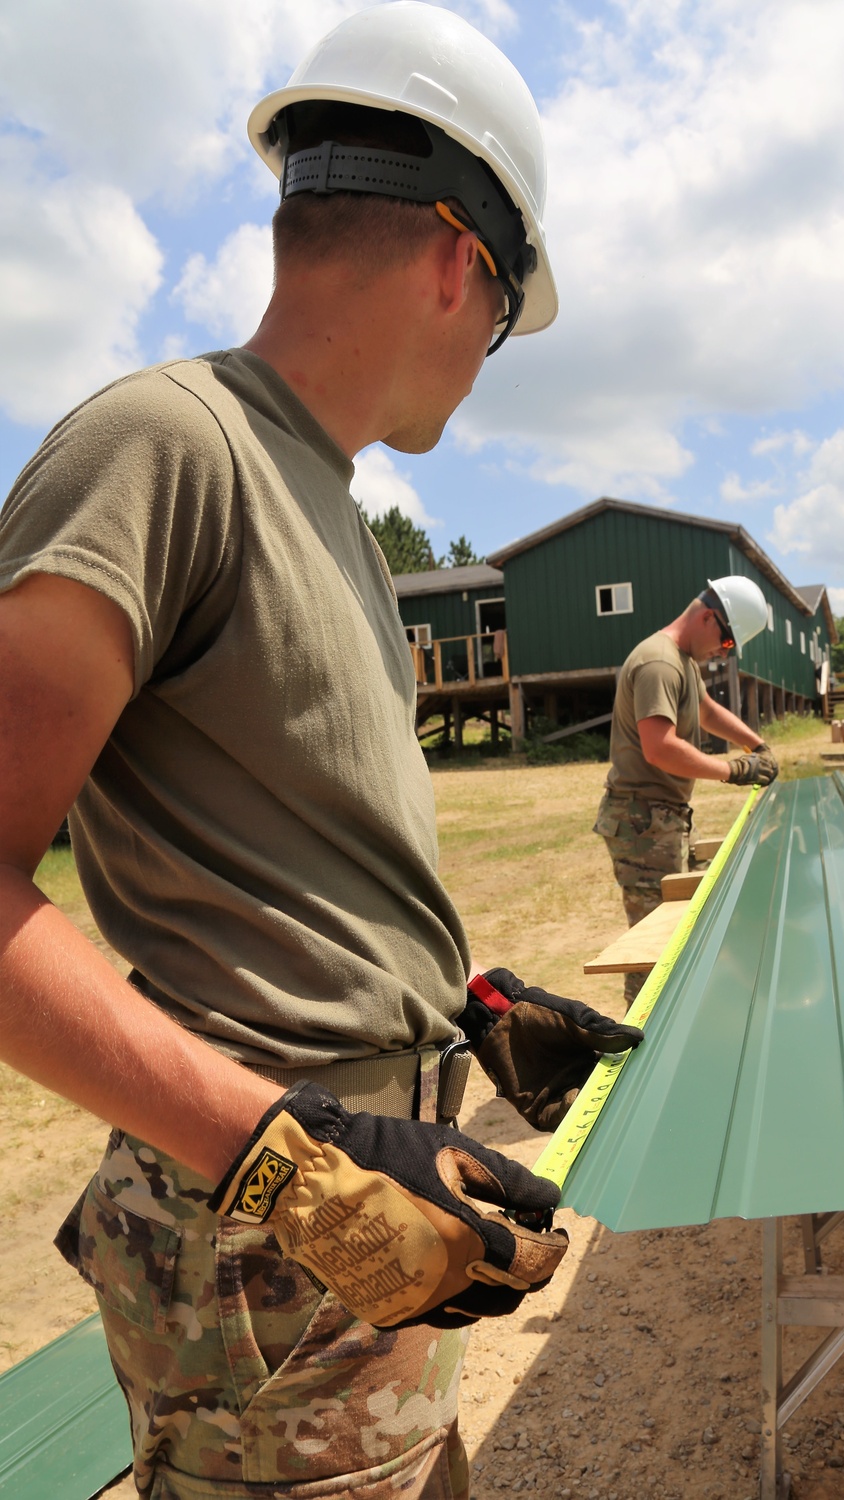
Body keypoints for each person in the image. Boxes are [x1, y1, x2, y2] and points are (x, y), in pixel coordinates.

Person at [0, 7, 642, 1498]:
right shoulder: (163, 449)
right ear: (453, 259)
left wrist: (463, 1005)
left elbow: (292, 843)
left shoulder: (329, 510)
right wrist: (294, 1165)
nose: (488, 359)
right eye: (500, 318)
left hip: (364, 1197)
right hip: (270, 1231)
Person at [594, 576, 779, 1001]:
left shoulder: (681, 661)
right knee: (656, 947)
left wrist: (757, 745)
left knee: (680, 932)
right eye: (727, 642)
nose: (724, 652)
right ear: (708, 617)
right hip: (643, 825)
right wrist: (734, 769)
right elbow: (659, 748)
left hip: (661, 820)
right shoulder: (659, 662)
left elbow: (707, 710)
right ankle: (643, 1046)